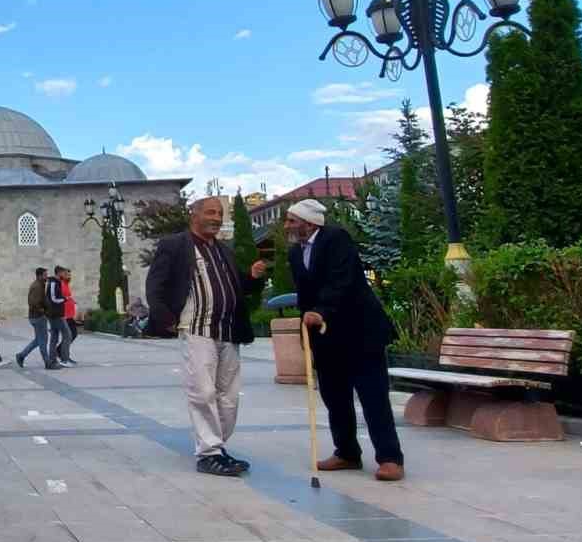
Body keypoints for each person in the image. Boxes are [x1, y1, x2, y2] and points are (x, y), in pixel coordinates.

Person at [146, 196, 268, 478]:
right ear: (194, 214)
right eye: (211, 212)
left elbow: (237, 285)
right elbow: (155, 285)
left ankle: (217, 447)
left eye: (220, 213)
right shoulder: (175, 245)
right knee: (203, 392)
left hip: (228, 331)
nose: (216, 218)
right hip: (197, 329)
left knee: (229, 395)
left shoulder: (224, 250)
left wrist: (252, 276)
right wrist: (166, 318)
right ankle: (209, 452)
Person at [285, 199, 405, 482]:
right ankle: (347, 453)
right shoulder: (294, 253)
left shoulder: (335, 239)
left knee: (373, 397)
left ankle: (390, 458)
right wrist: (308, 331)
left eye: (291, 220)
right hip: (326, 337)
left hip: (360, 332)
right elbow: (305, 293)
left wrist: (321, 310)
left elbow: (342, 279)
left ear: (309, 223)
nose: (287, 226)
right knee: (335, 398)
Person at [14, 268, 60, 369]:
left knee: (38, 340)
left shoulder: (40, 285)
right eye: (45, 275)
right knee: (43, 341)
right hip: (38, 317)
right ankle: (48, 363)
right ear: (39, 276)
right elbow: (33, 303)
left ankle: (21, 355)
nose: (46, 277)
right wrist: (43, 312)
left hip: (36, 316)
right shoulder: (37, 286)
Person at [45, 266, 69, 365]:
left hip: (55, 313)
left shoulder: (56, 282)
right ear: (59, 273)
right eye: (64, 273)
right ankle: (64, 359)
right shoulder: (53, 283)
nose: (65, 275)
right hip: (55, 314)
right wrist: (64, 299)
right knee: (67, 335)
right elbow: (53, 298)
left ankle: (52, 359)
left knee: (54, 337)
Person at [59, 269, 79, 365]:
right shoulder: (61, 285)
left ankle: (61, 352)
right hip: (65, 315)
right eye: (67, 275)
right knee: (70, 335)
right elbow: (61, 299)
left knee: (71, 335)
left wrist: (73, 301)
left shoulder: (66, 284)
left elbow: (68, 297)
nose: (69, 277)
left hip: (70, 315)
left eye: (70, 275)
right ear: (63, 275)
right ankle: (62, 354)